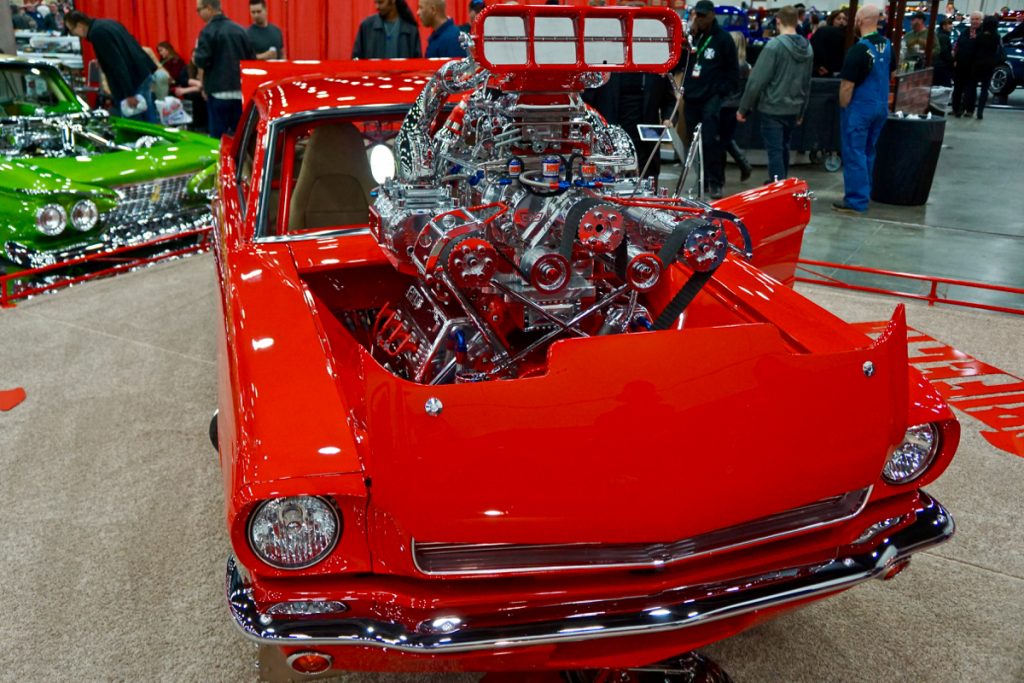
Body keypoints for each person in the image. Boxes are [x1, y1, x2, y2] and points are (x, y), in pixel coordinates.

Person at [737, 4, 812, 183]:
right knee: (784, 147)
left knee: (775, 150)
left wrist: (743, 108)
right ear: (797, 20)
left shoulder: (774, 47)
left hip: (773, 107)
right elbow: (807, 83)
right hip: (794, 108)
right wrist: (802, 111)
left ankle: (777, 187)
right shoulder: (808, 48)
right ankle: (782, 184)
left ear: (778, 21)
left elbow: (756, 81)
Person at [833, 4, 893, 215]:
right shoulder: (887, 45)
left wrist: (843, 106)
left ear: (860, 21)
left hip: (859, 108)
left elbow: (847, 85)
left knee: (854, 152)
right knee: (868, 151)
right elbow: (890, 73)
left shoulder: (859, 50)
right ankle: (864, 193)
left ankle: (856, 200)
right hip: (880, 106)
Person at [682, 0, 738, 199]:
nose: (701, 19)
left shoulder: (723, 39)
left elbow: (733, 71)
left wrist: (720, 91)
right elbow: (682, 63)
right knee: (694, 142)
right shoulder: (692, 38)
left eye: (704, 15)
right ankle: (702, 180)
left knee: (711, 141)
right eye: (698, 15)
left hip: (711, 98)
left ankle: (715, 181)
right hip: (692, 96)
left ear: (713, 15)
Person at [64, 10, 158, 123]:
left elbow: (117, 64)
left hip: (133, 82)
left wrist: (128, 93)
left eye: (72, 30)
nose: (74, 34)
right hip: (141, 74)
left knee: (138, 124)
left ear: (79, 25)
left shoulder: (97, 34)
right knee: (150, 118)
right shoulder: (107, 23)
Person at [193, 0, 255, 139]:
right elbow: (252, 59)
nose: (198, 14)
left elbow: (201, 60)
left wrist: (195, 58)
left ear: (208, 8)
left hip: (217, 92)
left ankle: (222, 161)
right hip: (240, 92)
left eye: (199, 10)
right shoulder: (241, 30)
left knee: (219, 139)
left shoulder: (207, 31)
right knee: (241, 138)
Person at [720, 31, 753, 182]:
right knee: (726, 139)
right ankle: (743, 164)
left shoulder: (733, 66)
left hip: (725, 105)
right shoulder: (746, 65)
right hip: (736, 106)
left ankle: (742, 164)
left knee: (722, 140)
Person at [352, 0, 421, 59]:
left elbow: (417, 63)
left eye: (381, 2)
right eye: (376, 2)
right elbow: (356, 59)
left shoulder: (411, 30)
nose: (377, 7)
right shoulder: (366, 27)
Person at [969, 15, 1005, 120]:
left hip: (977, 63)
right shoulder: (996, 37)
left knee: (972, 87)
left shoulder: (979, 36)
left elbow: (973, 50)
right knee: (985, 89)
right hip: (990, 65)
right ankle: (980, 111)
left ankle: (971, 108)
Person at [951, 11, 982, 116]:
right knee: (957, 88)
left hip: (974, 66)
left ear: (981, 20)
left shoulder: (983, 34)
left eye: (977, 19)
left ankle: (969, 110)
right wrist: (955, 59)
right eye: (973, 19)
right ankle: (955, 108)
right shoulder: (964, 32)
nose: (974, 21)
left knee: (971, 89)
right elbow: (957, 45)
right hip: (960, 64)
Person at [811, 9, 848, 76]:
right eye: (838, 19)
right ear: (832, 20)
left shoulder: (848, 36)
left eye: (844, 19)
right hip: (825, 70)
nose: (842, 21)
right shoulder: (823, 32)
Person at [933, 16, 954, 87]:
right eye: (949, 24)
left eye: (951, 24)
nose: (951, 26)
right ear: (944, 26)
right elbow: (944, 52)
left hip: (937, 66)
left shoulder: (939, 35)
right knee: (946, 87)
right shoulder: (944, 37)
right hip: (942, 67)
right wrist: (952, 60)